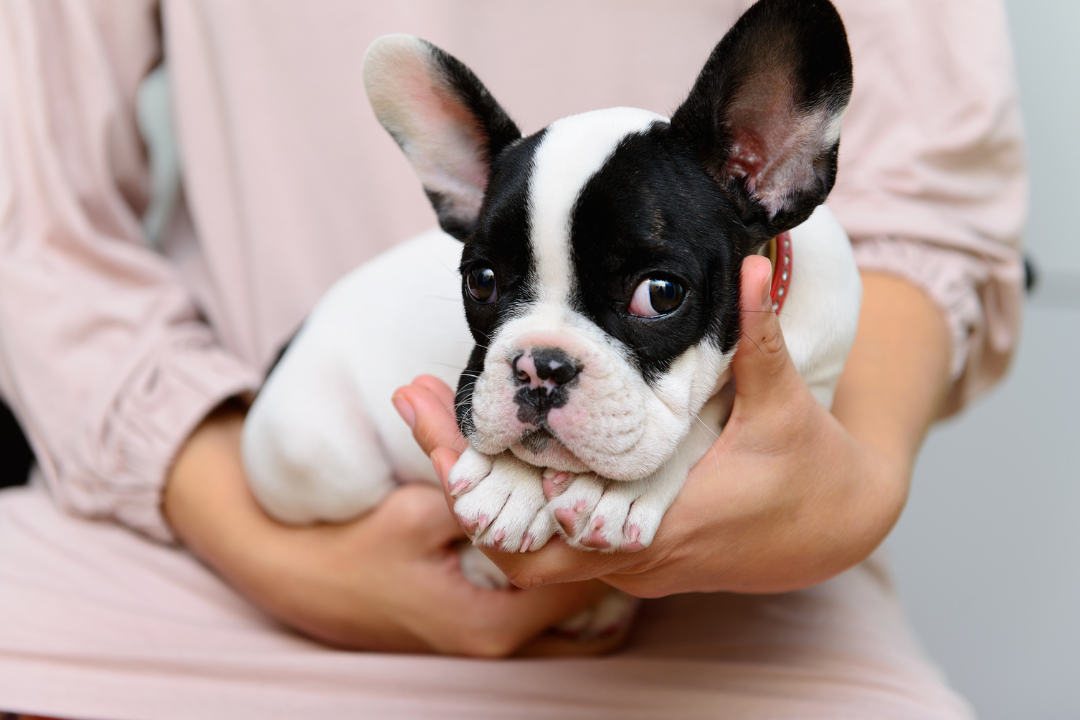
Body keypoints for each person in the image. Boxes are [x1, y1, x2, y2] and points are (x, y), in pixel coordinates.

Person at [0, 1, 1025, 718]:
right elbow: (32, 227)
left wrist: (852, 494)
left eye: (655, 294)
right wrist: (271, 553)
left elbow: (929, 218)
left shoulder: (784, 229)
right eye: (492, 285)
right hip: (191, 536)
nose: (542, 367)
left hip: (732, 612)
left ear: (774, 165)